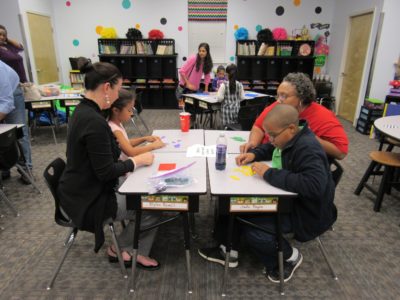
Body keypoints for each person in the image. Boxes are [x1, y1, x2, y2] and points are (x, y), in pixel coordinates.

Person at [199, 104, 336, 283]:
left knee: (254, 230)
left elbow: (313, 186)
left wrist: (268, 173)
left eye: (272, 135)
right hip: (293, 201)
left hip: (307, 213)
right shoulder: (290, 138)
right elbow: (272, 148)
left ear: (292, 128)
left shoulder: (308, 148)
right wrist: (254, 155)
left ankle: (289, 257)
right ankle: (228, 250)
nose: (269, 139)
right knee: (235, 203)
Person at [57, 60, 160, 270]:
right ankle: (121, 249)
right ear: (106, 87)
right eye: (118, 89)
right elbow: (105, 172)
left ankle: (128, 246)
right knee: (151, 208)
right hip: (89, 199)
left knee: (146, 190)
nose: (117, 96)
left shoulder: (83, 111)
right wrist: (136, 161)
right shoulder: (94, 121)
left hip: (78, 189)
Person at [240, 72, 349, 161]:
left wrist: (305, 136)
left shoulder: (323, 117)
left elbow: (341, 153)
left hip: (287, 163)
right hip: (265, 154)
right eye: (278, 95)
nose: (278, 100)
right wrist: (253, 143)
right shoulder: (279, 106)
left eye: (284, 96)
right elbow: (258, 126)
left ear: (302, 98)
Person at [0, 25, 33, 181]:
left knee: (19, 131)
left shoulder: (7, 50)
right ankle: (4, 168)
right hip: (6, 91)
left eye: (3, 35)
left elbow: (6, 102)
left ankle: (27, 168)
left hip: (13, 91)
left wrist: (6, 39)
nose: (1, 37)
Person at [107, 89, 166, 158]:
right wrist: (153, 146)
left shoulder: (118, 123)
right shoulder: (115, 129)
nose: (132, 113)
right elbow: (131, 152)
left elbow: (126, 143)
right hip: (126, 165)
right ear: (116, 110)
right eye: (129, 110)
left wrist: (144, 139)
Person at [177, 42, 213, 109]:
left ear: (207, 52)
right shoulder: (194, 58)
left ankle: (192, 118)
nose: (201, 53)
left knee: (194, 109)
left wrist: (206, 90)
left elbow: (207, 77)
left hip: (195, 88)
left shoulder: (207, 62)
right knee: (188, 109)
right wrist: (188, 84)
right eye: (200, 51)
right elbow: (182, 71)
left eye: (203, 51)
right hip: (186, 87)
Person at [216, 64, 245, 128]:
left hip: (226, 113)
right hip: (237, 111)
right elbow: (242, 98)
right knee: (235, 128)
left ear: (227, 74)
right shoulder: (240, 85)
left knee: (227, 129)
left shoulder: (223, 85)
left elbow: (219, 99)